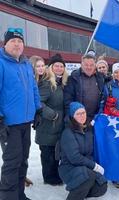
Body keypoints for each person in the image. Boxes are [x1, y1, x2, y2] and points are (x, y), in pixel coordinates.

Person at [0, 28, 41, 200]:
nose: (17, 44)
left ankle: (19, 194)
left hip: (25, 123)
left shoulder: (25, 64)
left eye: (20, 41)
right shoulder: (1, 63)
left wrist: (37, 110)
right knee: (12, 163)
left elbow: (33, 89)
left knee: (23, 161)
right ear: (5, 43)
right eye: (13, 41)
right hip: (9, 124)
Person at [58, 102, 107, 200]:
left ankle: (80, 191)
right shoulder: (68, 133)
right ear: (72, 116)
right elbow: (74, 158)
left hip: (85, 167)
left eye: (83, 113)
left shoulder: (88, 130)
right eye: (78, 114)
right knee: (87, 176)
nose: (82, 116)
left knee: (101, 186)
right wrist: (94, 166)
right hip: (69, 168)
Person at [34, 53, 68, 185]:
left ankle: (55, 175)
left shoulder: (63, 83)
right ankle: (49, 179)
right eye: (56, 66)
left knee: (55, 152)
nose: (59, 68)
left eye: (61, 66)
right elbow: (38, 102)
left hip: (58, 125)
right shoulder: (47, 83)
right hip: (47, 125)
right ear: (51, 67)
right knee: (47, 153)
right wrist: (52, 115)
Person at [64, 53, 104, 125]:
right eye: (86, 65)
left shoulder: (100, 78)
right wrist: (72, 118)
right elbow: (68, 100)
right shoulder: (73, 78)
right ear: (81, 65)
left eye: (91, 65)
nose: (89, 67)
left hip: (95, 119)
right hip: (78, 119)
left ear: (95, 65)